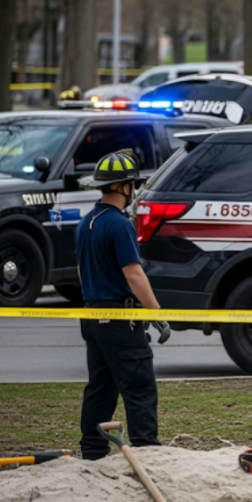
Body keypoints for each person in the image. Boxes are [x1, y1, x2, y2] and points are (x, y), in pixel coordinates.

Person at [75, 151, 170, 460]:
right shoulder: (119, 225)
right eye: (132, 185)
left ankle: (92, 449)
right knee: (139, 385)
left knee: (101, 387)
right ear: (125, 187)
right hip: (119, 318)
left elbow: (80, 271)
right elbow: (133, 272)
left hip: (92, 314)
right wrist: (156, 313)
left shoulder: (86, 222)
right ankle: (147, 450)